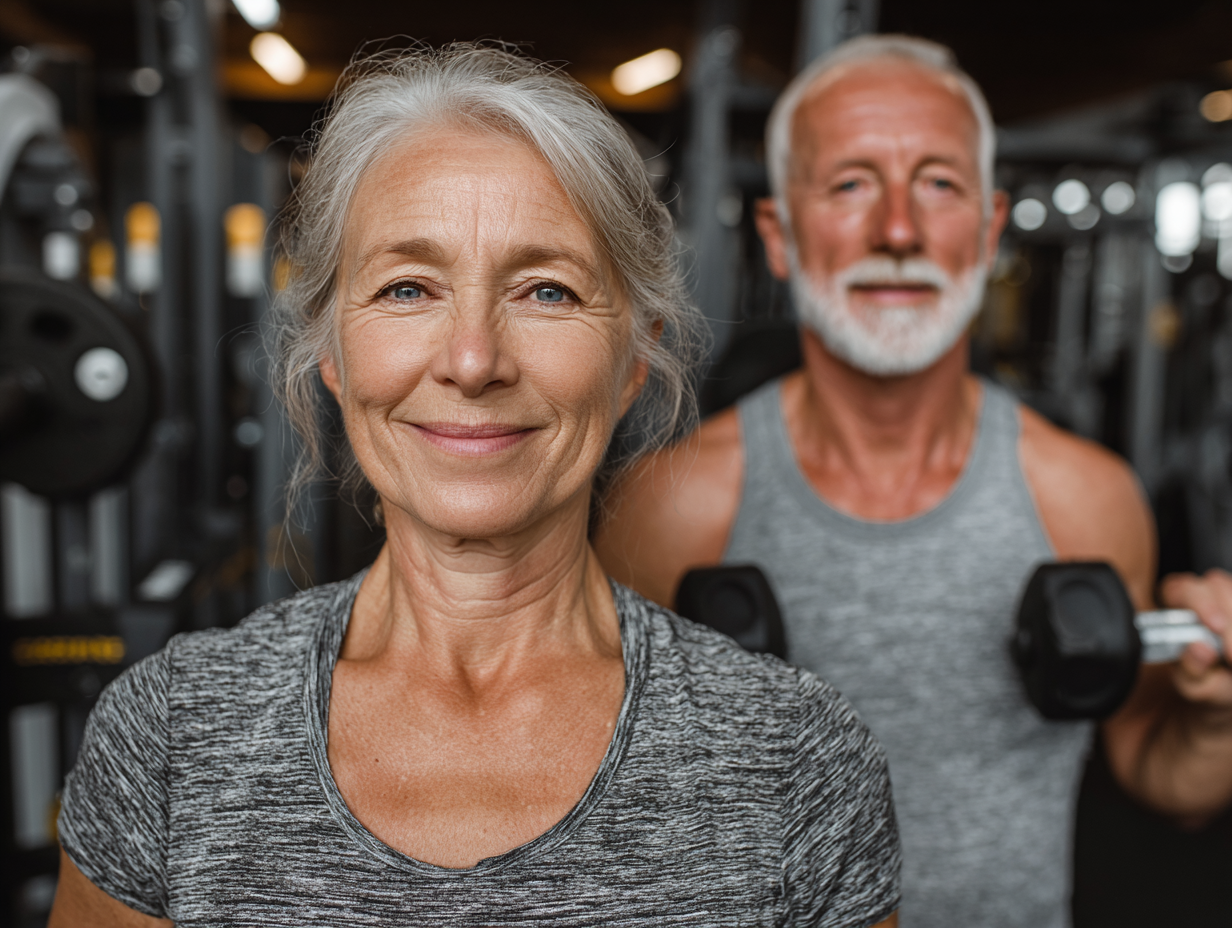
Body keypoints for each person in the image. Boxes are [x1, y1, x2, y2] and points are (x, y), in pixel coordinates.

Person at [48, 45, 901, 928]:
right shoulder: (173, 737)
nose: (472, 361)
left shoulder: (797, 763)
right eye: (409, 288)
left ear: (634, 360)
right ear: (334, 354)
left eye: (547, 293)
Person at [596, 34, 1232, 928]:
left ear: (988, 227)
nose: (898, 231)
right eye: (851, 185)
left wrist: (1214, 718)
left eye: (938, 184)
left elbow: (1164, 777)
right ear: (779, 237)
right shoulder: (675, 504)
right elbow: (605, 817)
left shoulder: (1086, 497)